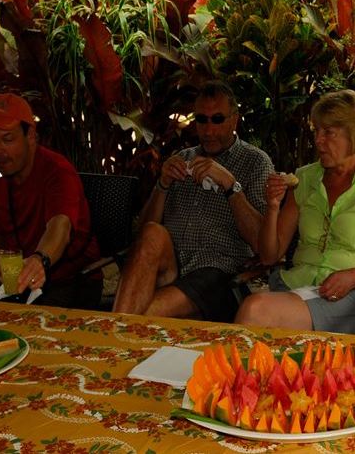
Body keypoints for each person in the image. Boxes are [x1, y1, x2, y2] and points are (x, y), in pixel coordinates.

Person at [234, 89, 355, 333]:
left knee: (255, 310)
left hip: (348, 297)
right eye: (316, 131)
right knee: (258, 314)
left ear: (354, 133)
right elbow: (269, 256)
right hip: (294, 289)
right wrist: (273, 206)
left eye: (328, 132)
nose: (318, 140)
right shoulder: (305, 178)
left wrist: (354, 276)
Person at [112, 81, 272, 320]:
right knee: (153, 232)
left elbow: (262, 244)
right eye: (201, 119)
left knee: (140, 313)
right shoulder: (182, 158)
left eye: (217, 119)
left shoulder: (255, 162)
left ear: (234, 120)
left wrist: (231, 186)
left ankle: (114, 328)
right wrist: (162, 184)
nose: (208, 130)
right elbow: (142, 232)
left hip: (216, 272)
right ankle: (119, 330)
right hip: (170, 264)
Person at [0, 93, 101, 309]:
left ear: (31, 136)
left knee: (26, 323)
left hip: (68, 278)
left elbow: (60, 227)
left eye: (8, 139)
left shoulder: (57, 171)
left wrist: (39, 260)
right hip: (16, 274)